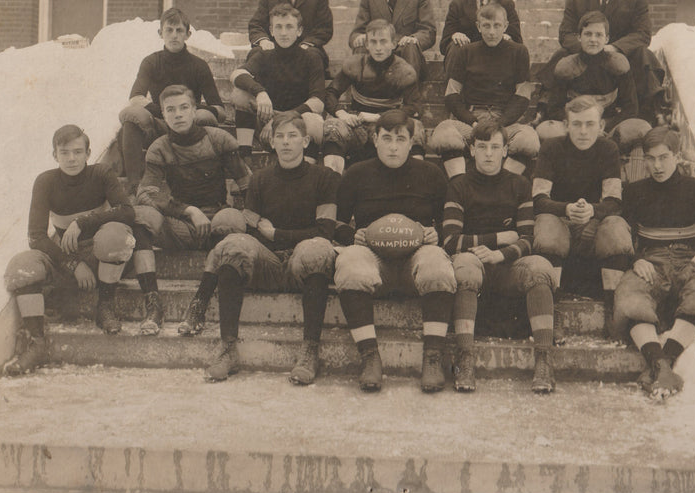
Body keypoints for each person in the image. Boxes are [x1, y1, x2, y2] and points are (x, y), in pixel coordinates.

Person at [178, 113, 341, 384]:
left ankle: (310, 350)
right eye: (280, 136)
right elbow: (253, 231)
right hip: (269, 263)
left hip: (304, 263)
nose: (286, 142)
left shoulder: (324, 178)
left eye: (292, 136)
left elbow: (325, 231)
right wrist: (266, 240)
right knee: (234, 243)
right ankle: (228, 348)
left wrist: (277, 233)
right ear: (272, 143)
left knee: (317, 248)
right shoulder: (260, 179)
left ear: (306, 140)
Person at [2, 125, 162, 376]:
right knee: (21, 267)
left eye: (78, 152)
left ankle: (105, 306)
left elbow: (126, 211)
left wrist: (82, 222)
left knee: (115, 236)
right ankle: (37, 342)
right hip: (68, 256)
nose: (71, 158)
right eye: (64, 152)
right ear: (55, 155)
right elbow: (36, 237)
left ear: (88, 153)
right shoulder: (45, 181)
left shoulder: (101, 173)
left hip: (102, 255)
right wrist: (73, 265)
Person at [333, 109, 454, 393]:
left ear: (412, 142)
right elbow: (335, 222)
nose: (393, 146)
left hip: (416, 258)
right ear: (375, 140)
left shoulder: (431, 174)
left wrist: (437, 233)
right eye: (386, 138)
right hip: (373, 258)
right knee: (349, 262)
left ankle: (433, 357)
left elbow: (448, 224)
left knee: (438, 262)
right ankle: (369, 356)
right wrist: (353, 234)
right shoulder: (356, 174)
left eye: (400, 139)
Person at [612, 126, 695, 399]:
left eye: (664, 157)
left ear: (676, 156)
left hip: (690, 260)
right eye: (650, 159)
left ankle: (664, 362)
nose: (657, 165)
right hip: (652, 261)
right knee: (630, 298)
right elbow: (624, 237)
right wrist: (636, 260)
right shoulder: (634, 191)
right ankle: (662, 366)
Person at [445, 121, 558, 394]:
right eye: (482, 147)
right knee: (465, 269)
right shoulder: (458, 185)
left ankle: (544, 359)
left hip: (507, 264)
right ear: (471, 150)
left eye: (495, 147)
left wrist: (500, 254)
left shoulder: (519, 184)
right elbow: (450, 241)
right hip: (471, 260)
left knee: (541, 267)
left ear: (506, 150)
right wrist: (498, 238)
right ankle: (465, 358)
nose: (488, 153)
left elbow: (527, 239)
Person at [531, 96, 634, 303]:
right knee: (547, 226)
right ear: (566, 125)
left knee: (616, 227)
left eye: (590, 124)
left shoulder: (608, 149)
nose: (584, 131)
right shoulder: (551, 148)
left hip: (595, 223)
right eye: (577, 124)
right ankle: (551, 306)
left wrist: (592, 211)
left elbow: (614, 201)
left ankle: (614, 305)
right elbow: (539, 199)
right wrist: (567, 209)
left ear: (601, 125)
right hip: (561, 221)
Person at [540, 0, 664, 121]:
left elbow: (642, 34)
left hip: (621, 53)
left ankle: (652, 112)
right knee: (560, 56)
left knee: (643, 54)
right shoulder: (576, 0)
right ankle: (542, 109)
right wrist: (588, 47)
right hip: (585, 53)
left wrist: (614, 48)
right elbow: (565, 34)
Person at [117, 7, 225, 192]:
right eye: (169, 30)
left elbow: (219, 110)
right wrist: (166, 111)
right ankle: (135, 185)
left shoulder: (199, 66)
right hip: (160, 125)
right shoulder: (151, 62)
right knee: (131, 119)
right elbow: (136, 98)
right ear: (161, 33)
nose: (174, 35)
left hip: (188, 128)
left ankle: (205, 181)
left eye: (179, 31)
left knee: (205, 118)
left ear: (188, 34)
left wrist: (188, 110)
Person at [133, 85, 249, 254]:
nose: (178, 114)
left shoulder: (218, 138)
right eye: (170, 110)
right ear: (164, 115)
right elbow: (146, 194)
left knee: (232, 219)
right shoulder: (159, 148)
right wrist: (189, 211)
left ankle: (220, 254)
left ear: (194, 110)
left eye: (184, 107)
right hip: (182, 223)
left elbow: (246, 182)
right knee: (140, 215)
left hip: (218, 220)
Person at [428, 3, 540, 178]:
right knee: (443, 134)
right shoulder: (466, 51)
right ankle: (460, 183)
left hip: (504, 121)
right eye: (486, 26)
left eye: (497, 26)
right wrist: (472, 122)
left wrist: (500, 123)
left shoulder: (519, 52)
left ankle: (502, 185)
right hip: (472, 121)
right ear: (478, 26)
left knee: (528, 140)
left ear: (505, 26)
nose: (492, 32)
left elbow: (523, 96)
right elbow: (451, 94)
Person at [322, 19, 424, 174]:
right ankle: (332, 183)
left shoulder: (404, 70)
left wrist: (378, 117)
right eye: (373, 42)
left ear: (393, 44)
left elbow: (414, 107)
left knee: (416, 128)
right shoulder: (355, 65)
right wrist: (341, 113)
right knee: (333, 127)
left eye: (383, 42)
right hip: (358, 125)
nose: (378, 48)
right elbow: (330, 93)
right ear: (367, 44)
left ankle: (416, 180)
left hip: (390, 124)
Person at [230, 3, 325, 160]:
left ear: (299, 31)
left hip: (298, 122)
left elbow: (318, 103)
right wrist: (260, 93)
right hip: (268, 123)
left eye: (289, 27)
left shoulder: (311, 57)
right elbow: (237, 74)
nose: (283, 32)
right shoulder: (264, 55)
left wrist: (280, 121)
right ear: (272, 31)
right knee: (240, 93)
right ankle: (244, 159)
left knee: (314, 122)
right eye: (278, 27)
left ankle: (308, 169)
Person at [535, 10, 639, 137]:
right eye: (588, 34)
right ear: (579, 37)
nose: (593, 40)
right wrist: (580, 124)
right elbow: (554, 109)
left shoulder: (618, 65)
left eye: (598, 35)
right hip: (576, 125)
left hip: (607, 126)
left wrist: (603, 125)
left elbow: (631, 108)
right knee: (547, 131)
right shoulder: (567, 67)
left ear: (606, 39)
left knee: (639, 128)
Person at [348, 0, 436, 81]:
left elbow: (428, 31)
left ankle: (410, 98)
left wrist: (415, 38)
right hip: (378, 51)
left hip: (405, 51)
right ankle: (361, 98)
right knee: (360, 46)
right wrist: (358, 37)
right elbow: (356, 32)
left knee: (410, 46)